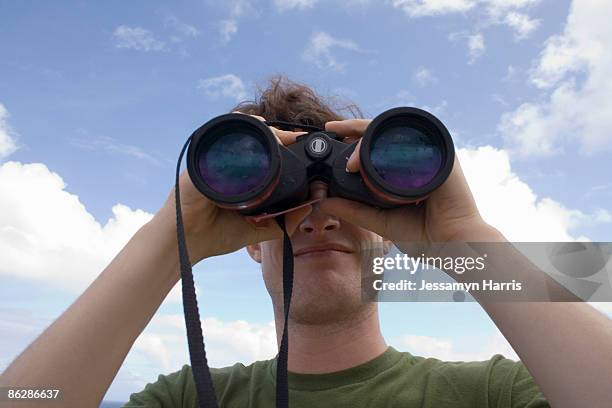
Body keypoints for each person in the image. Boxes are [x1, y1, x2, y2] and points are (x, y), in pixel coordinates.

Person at [2, 76, 612, 408]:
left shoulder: (494, 394)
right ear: (249, 239)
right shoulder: (188, 397)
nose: (319, 220)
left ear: (391, 237)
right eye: (287, 206)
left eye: (350, 201)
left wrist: (464, 237)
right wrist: (169, 242)